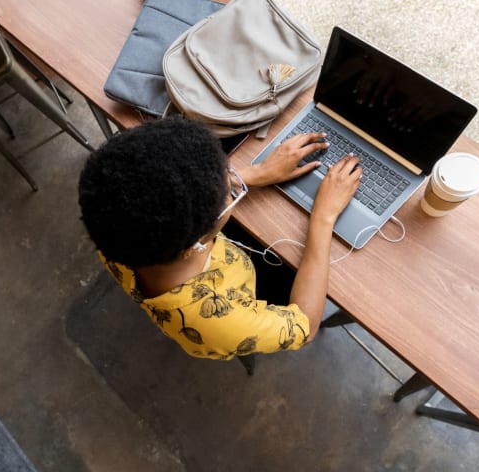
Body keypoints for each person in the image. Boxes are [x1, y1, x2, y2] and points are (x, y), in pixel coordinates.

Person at [77, 117, 362, 361]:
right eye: (230, 194)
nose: (234, 182)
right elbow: (305, 327)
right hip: (248, 288)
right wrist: (323, 217)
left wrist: (257, 173)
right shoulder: (219, 321)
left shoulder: (114, 226)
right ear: (192, 247)